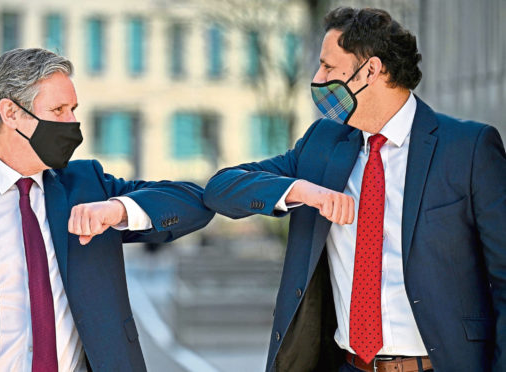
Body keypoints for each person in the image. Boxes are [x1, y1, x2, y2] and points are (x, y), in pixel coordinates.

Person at [204, 7, 505, 372]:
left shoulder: (468, 148)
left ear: (372, 70)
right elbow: (221, 188)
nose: (318, 78)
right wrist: (303, 191)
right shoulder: (322, 144)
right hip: (348, 365)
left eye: (328, 67)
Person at [0, 48, 214, 371]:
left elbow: (195, 202)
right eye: (59, 110)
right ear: (10, 113)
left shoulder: (89, 186)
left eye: (73, 109)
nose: (73, 123)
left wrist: (117, 209)